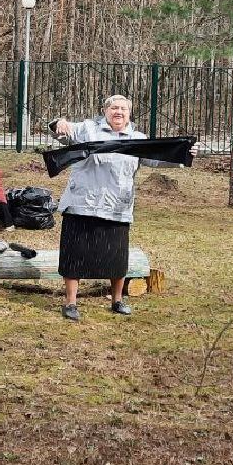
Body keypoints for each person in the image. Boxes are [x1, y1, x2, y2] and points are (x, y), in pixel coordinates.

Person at [50, 95, 154, 321]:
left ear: (129, 113)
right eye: (114, 108)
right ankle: (70, 303)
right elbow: (63, 132)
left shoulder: (137, 138)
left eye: (124, 109)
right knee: (74, 256)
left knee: (116, 258)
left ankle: (117, 300)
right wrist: (59, 123)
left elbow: (156, 157)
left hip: (117, 206)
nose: (119, 112)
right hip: (82, 203)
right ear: (105, 111)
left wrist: (185, 153)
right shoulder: (88, 129)